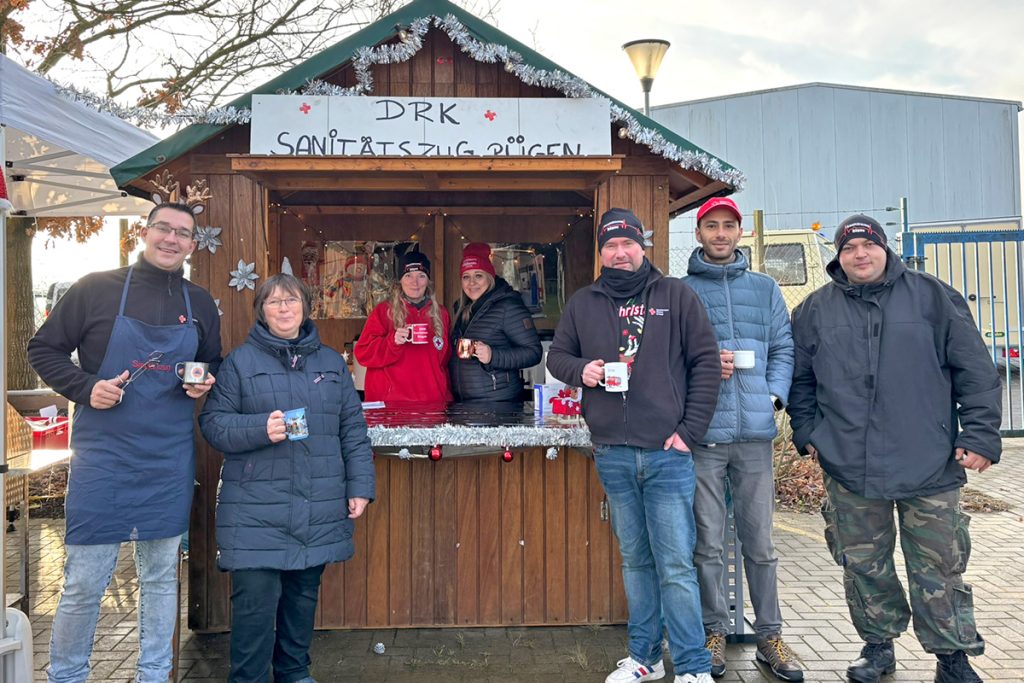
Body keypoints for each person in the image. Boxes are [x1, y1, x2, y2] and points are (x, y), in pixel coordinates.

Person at [787, 214, 1001, 683]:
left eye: (868, 246)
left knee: (940, 567)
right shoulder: (814, 311)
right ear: (837, 258)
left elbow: (977, 372)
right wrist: (808, 434)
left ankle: (953, 657)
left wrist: (980, 436)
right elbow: (799, 382)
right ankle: (877, 648)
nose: (859, 255)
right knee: (864, 565)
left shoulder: (932, 297)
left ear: (884, 248)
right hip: (850, 466)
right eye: (848, 249)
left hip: (930, 461)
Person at [27, 202, 221, 683]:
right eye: (163, 228)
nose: (172, 239)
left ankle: (154, 673)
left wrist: (204, 381)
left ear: (193, 244)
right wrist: (84, 386)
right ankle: (67, 675)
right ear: (145, 231)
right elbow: (43, 349)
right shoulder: (95, 288)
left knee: (159, 578)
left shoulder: (199, 303)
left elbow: (212, 360)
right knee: (84, 581)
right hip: (103, 458)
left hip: (168, 458)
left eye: (183, 233)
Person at [547, 208, 721, 683]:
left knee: (675, 565)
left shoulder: (675, 296)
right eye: (610, 246)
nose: (620, 253)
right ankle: (645, 658)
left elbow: (706, 364)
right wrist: (581, 370)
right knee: (636, 561)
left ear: (642, 247)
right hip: (613, 453)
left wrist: (689, 433)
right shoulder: (584, 302)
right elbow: (557, 356)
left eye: (628, 244)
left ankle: (691, 666)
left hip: (668, 453)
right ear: (601, 253)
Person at [198, 273, 375, 683]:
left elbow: (353, 429)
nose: (283, 308)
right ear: (261, 311)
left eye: (291, 301)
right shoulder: (240, 362)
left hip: (317, 502)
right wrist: (260, 429)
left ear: (305, 308)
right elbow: (214, 424)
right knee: (255, 607)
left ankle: (294, 673)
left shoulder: (331, 363)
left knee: (301, 599)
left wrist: (360, 487)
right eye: (274, 302)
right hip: (256, 511)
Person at [682, 197, 801, 681]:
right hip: (704, 435)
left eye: (728, 225)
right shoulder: (682, 292)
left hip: (754, 434)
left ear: (738, 233)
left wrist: (773, 397)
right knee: (707, 543)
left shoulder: (766, 288)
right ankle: (714, 632)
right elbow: (671, 356)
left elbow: (783, 347)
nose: (721, 234)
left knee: (760, 543)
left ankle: (770, 635)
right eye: (711, 226)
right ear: (699, 233)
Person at [449, 241, 542, 403]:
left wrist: (493, 356)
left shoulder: (508, 306)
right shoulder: (461, 309)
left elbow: (533, 353)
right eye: (466, 277)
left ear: (490, 277)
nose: (472, 283)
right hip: (464, 403)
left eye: (478, 275)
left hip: (498, 403)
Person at [355, 250, 451, 404]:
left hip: (431, 406)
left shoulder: (441, 314)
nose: (415, 282)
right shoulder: (383, 312)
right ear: (400, 280)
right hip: (391, 407)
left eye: (421, 276)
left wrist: (445, 399)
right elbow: (363, 354)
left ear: (428, 281)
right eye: (408, 276)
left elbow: (444, 364)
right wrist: (391, 342)